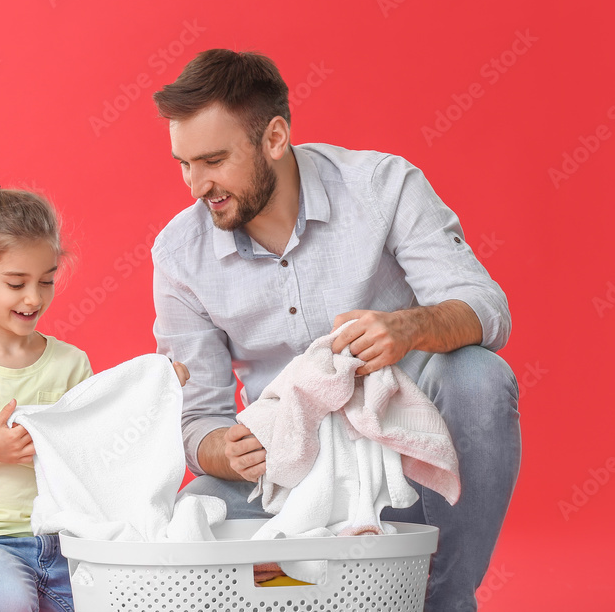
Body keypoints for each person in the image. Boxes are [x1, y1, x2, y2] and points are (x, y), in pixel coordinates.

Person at [150, 49, 521, 612]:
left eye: (213, 160)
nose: (196, 185)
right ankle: (319, 599)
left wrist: (408, 327)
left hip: (407, 466)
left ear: (274, 137)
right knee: (198, 509)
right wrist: (224, 452)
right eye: (184, 164)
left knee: (479, 377)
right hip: (289, 479)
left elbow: (485, 307)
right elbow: (198, 420)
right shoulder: (179, 255)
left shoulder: (383, 186)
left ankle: (443, 601)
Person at [0, 170, 190, 612]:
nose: (33, 298)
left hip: (63, 544)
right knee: (8, 602)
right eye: (16, 283)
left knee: (139, 597)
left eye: (47, 280)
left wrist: (154, 387)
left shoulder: (71, 364)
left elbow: (100, 450)